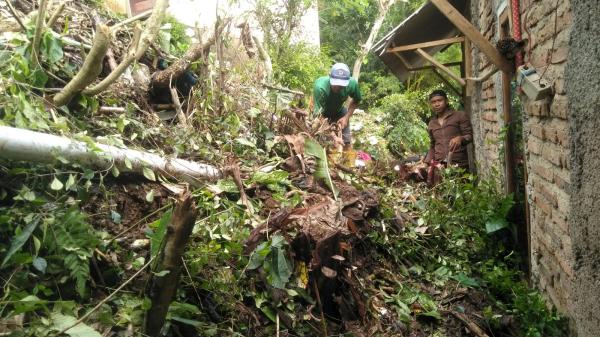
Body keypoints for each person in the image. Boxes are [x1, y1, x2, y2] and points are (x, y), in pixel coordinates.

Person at [312, 63, 362, 152]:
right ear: (329, 76)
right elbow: (318, 115)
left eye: (342, 85)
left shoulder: (352, 84)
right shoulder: (320, 87)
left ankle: (347, 159)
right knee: (328, 143)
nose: (338, 87)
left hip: (339, 111)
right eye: (335, 84)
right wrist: (334, 136)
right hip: (322, 114)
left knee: (346, 141)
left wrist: (346, 117)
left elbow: (356, 100)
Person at [424, 90, 473, 170]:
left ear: (446, 101)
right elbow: (433, 145)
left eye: (440, 100)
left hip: (459, 165)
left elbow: (470, 136)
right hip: (440, 167)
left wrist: (460, 138)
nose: (437, 104)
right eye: (433, 102)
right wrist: (426, 162)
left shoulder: (460, 116)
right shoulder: (432, 123)